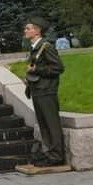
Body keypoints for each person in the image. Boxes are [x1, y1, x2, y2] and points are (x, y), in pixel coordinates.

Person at [23, 19, 66, 167]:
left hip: (46, 91)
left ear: (37, 31)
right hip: (38, 91)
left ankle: (56, 156)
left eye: (28, 28)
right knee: (44, 125)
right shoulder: (35, 48)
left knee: (51, 124)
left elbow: (58, 68)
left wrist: (37, 70)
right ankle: (50, 154)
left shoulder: (46, 47)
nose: (25, 31)